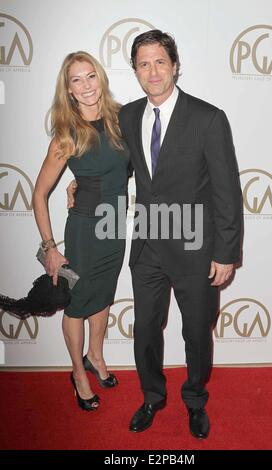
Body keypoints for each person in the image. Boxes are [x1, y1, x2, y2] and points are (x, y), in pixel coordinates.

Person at [118, 30, 243, 438]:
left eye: (159, 62)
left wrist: (225, 253)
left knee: (196, 333)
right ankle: (152, 396)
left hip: (196, 248)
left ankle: (194, 400)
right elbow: (127, 170)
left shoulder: (208, 118)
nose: (152, 71)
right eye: (143, 64)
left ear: (174, 65)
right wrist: (79, 184)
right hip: (148, 248)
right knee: (146, 330)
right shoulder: (128, 116)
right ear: (135, 70)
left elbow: (227, 190)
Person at [33, 51, 130, 411]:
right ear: (69, 90)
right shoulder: (67, 134)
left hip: (115, 226)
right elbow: (39, 194)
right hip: (84, 231)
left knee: (103, 296)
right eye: (77, 80)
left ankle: (96, 356)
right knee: (76, 305)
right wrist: (50, 248)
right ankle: (78, 373)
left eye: (91, 76)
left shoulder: (122, 119)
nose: (87, 86)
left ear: (100, 78)